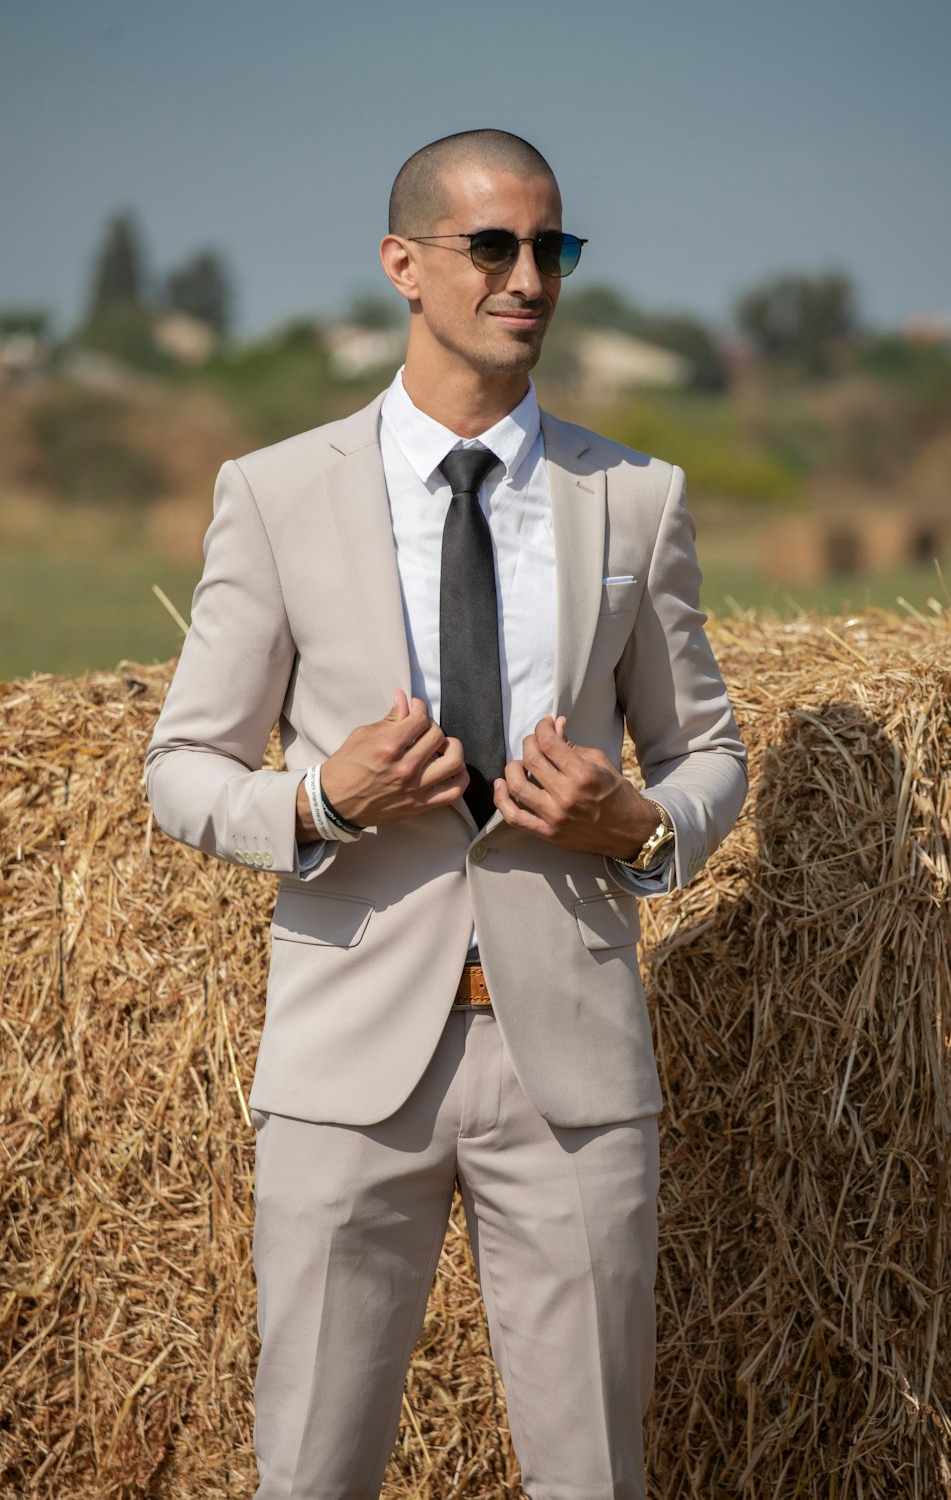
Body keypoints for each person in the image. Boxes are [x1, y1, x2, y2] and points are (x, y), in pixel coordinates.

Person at [145, 129, 747, 1500]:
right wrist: (320, 798)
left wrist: (638, 829)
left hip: (574, 1065)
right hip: (348, 1068)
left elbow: (712, 753)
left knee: (596, 1477)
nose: (529, 276)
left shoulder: (637, 500)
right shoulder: (278, 494)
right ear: (402, 266)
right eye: (494, 246)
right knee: (311, 1472)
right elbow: (181, 767)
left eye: (553, 248)